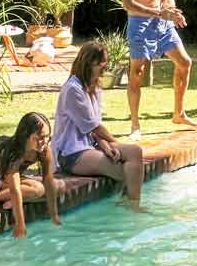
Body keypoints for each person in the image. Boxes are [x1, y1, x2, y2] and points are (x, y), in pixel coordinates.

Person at [54, 41, 149, 210]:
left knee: (136, 152)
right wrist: (115, 144)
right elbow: (94, 127)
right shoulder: (73, 90)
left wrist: (106, 145)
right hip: (71, 154)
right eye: (103, 61)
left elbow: (94, 127)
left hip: (90, 146)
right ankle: (128, 205)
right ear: (91, 62)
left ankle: (132, 203)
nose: (106, 65)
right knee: (123, 170)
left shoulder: (95, 87)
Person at [122, 0, 195, 137]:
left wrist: (172, 10)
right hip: (140, 22)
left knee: (185, 63)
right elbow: (128, 3)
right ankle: (135, 125)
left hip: (163, 22)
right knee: (138, 72)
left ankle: (179, 113)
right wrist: (159, 13)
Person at [0, 112, 61, 239]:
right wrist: (20, 226)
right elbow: (15, 190)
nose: (44, 142)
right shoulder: (13, 152)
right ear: (26, 135)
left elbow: (48, 179)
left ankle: (6, 200)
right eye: (39, 137)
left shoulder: (44, 150)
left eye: (47, 137)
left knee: (56, 186)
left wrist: (54, 215)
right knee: (37, 189)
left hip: (15, 177)